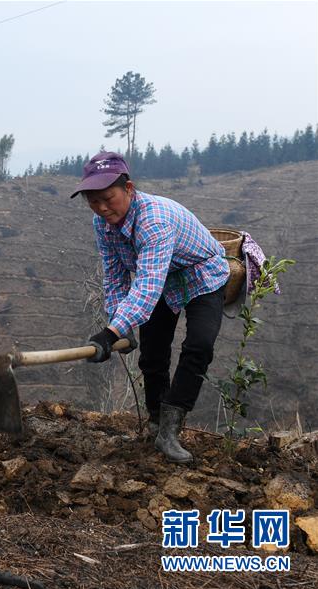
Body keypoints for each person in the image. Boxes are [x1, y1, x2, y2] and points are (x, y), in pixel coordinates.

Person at [71, 152, 229, 464]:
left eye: (107, 198)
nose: (101, 208)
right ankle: (156, 423)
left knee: (199, 346)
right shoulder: (102, 223)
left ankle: (170, 430)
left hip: (202, 275)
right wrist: (120, 325)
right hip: (163, 280)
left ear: (128, 189)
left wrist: (109, 333)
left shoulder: (154, 221)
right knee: (153, 354)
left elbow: (146, 286)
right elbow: (115, 274)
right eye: (93, 201)